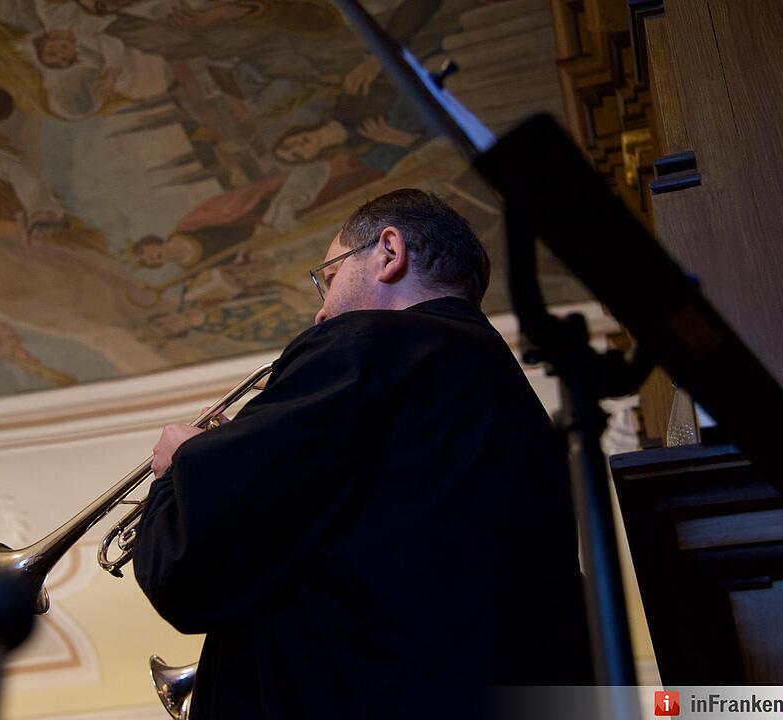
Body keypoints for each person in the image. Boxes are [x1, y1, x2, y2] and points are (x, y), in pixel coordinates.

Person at [132, 188, 592, 718]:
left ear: (388, 252)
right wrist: (246, 452)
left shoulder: (366, 340)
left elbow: (186, 568)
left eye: (328, 279)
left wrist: (179, 467)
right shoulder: (502, 389)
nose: (321, 312)